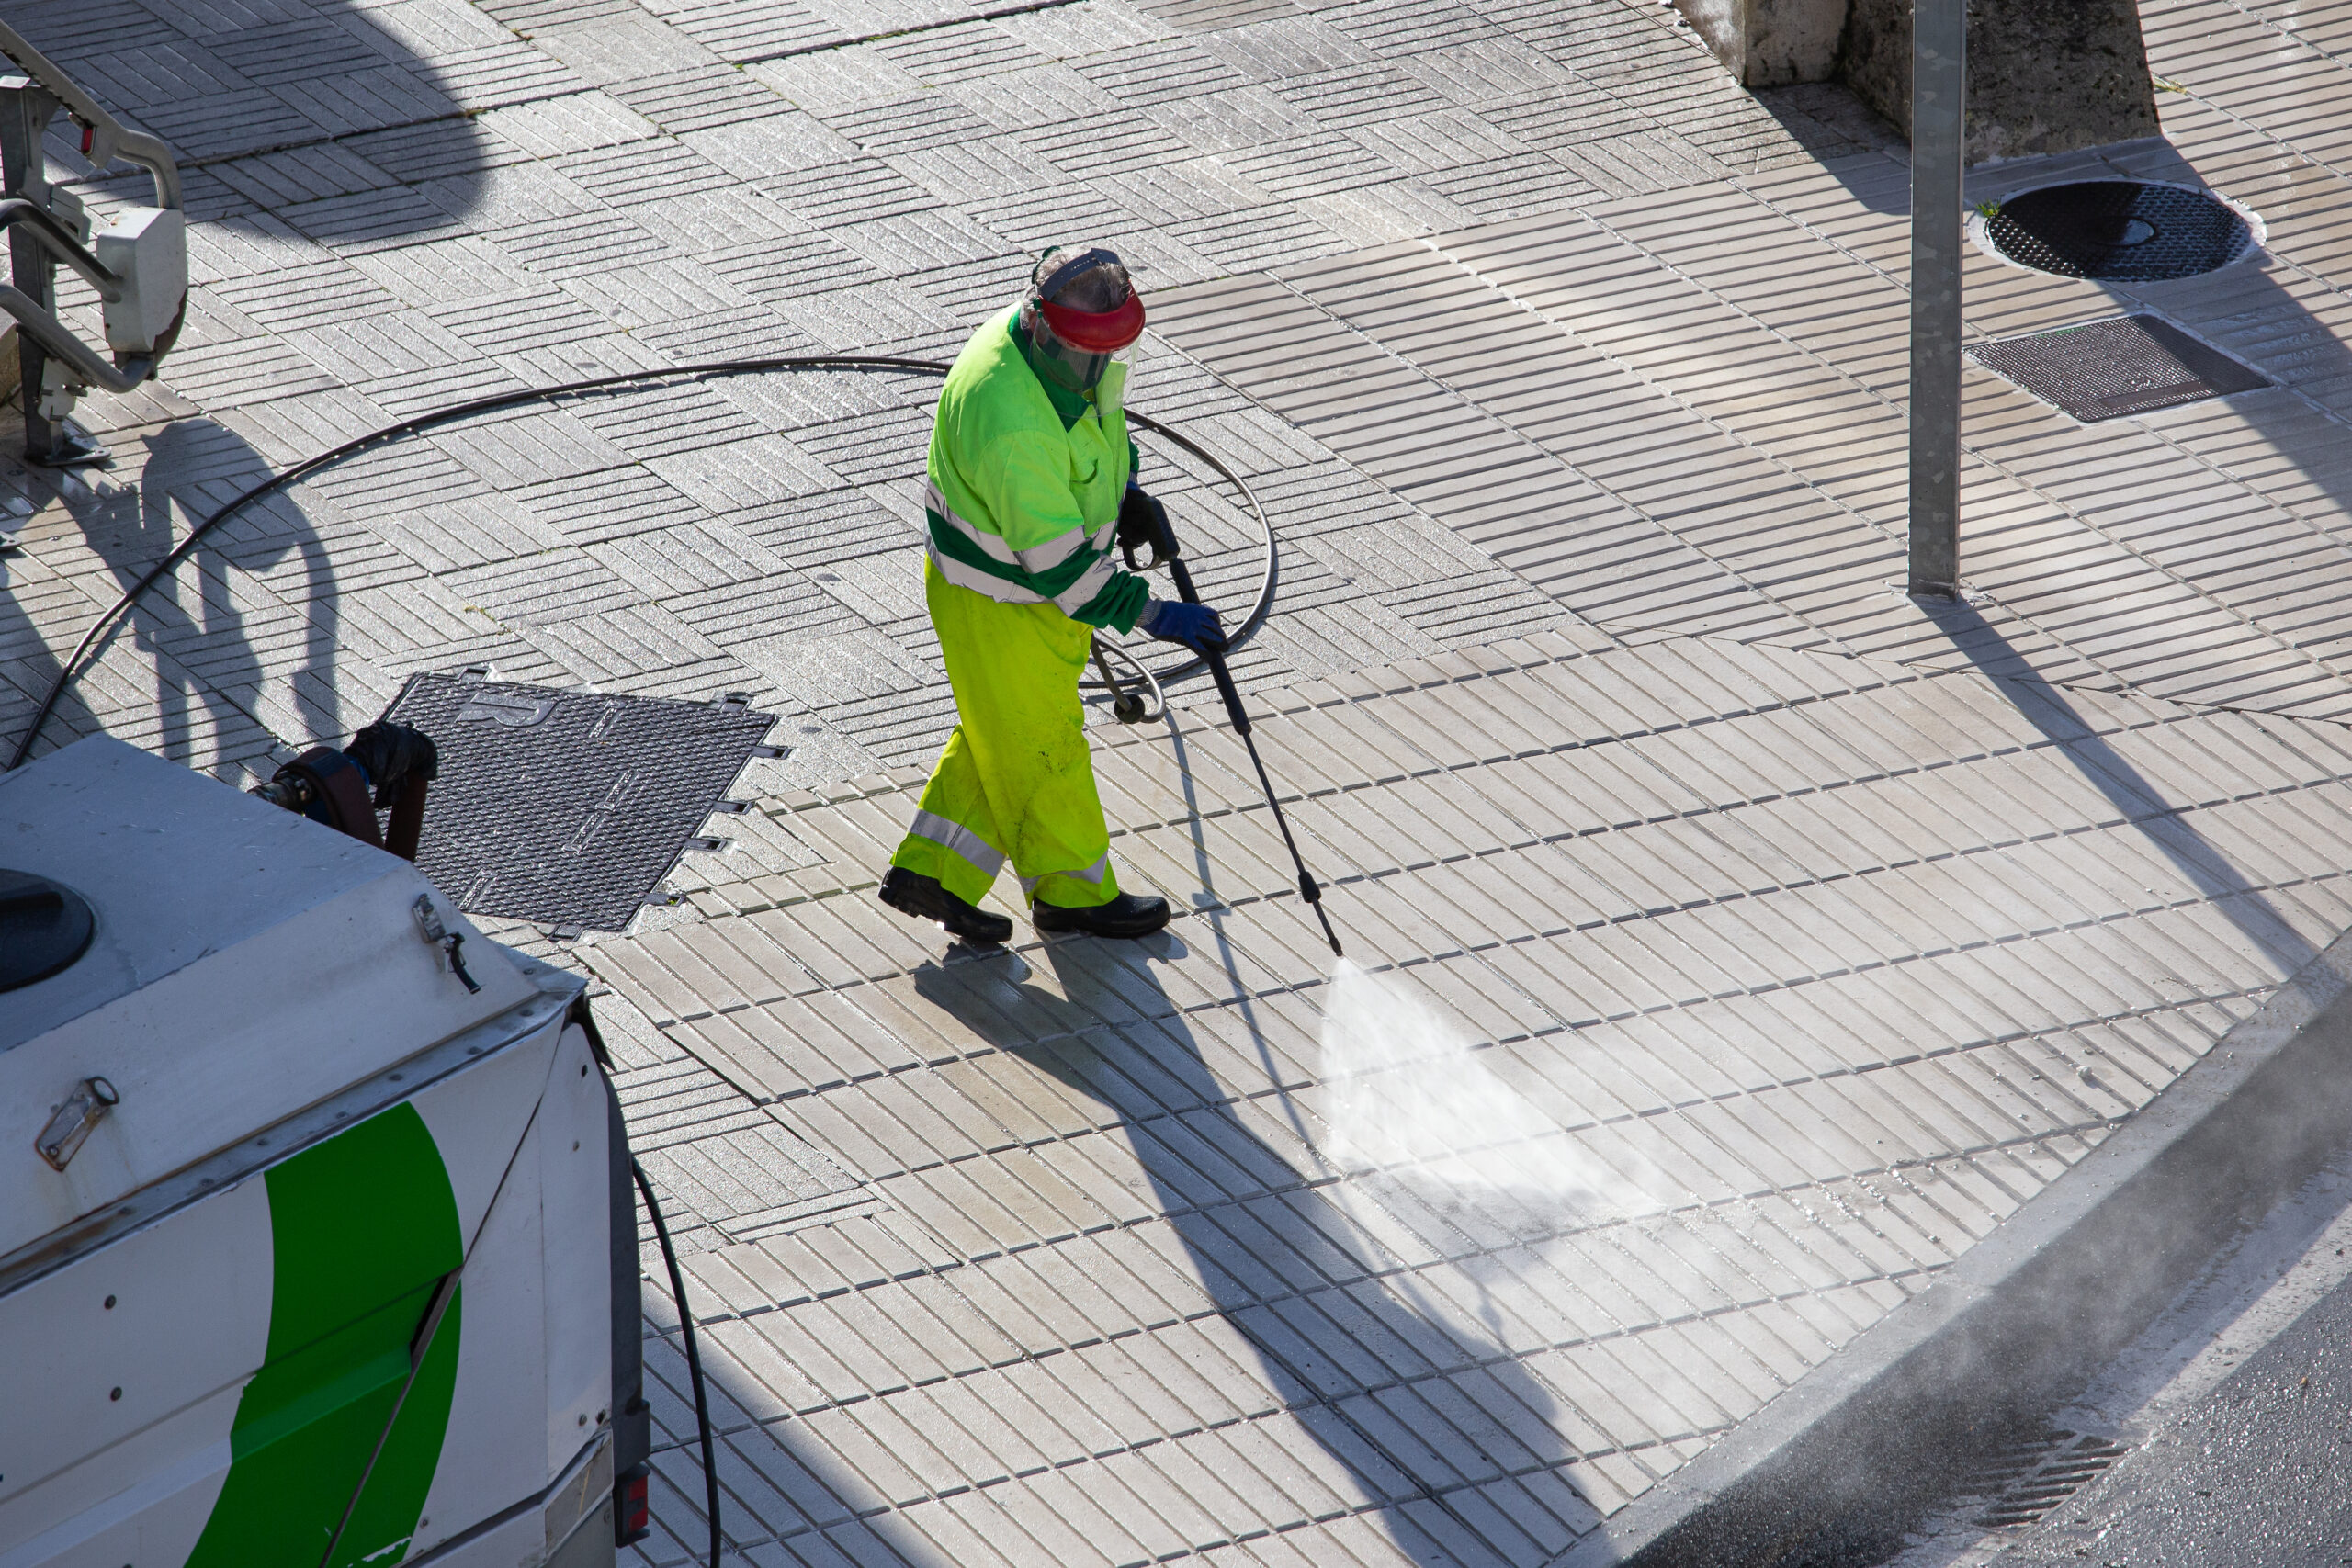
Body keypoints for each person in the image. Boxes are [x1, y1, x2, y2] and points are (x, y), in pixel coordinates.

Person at [880, 245, 1224, 944]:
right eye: (1086, 358)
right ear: (1043, 328)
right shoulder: (1011, 421)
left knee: (1004, 732)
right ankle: (1074, 894)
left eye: (1111, 356)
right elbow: (1066, 574)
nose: (1098, 372)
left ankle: (934, 873)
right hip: (1002, 599)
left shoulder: (1061, 356)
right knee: (1043, 743)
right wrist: (1155, 614)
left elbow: (1097, 429)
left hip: (1018, 590)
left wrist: (1126, 494)